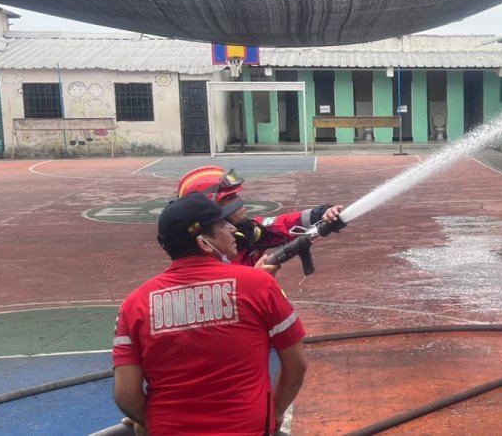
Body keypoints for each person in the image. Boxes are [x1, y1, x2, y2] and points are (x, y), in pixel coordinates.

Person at [112, 192, 309, 436]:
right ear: (204, 242)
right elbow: (296, 365)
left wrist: (148, 419)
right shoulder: (259, 285)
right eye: (223, 224)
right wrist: (275, 412)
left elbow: (126, 395)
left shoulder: (133, 305)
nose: (232, 229)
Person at [177, 165, 344, 267]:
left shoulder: (246, 232)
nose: (240, 203)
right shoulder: (201, 263)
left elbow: (282, 224)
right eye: (230, 199)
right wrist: (256, 280)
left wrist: (321, 214)